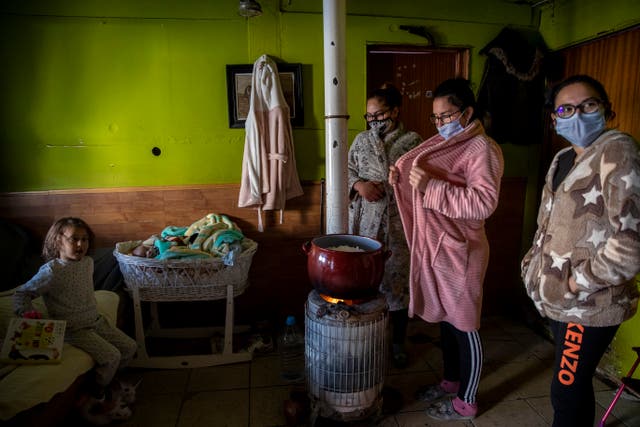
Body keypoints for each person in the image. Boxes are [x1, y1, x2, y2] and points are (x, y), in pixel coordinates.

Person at [521, 74, 640, 427]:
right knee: (568, 385)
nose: (578, 114)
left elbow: (632, 240)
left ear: (606, 108)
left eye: (588, 105)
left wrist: (576, 283)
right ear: (554, 119)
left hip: (590, 304)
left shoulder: (617, 150)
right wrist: (532, 268)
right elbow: (548, 224)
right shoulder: (563, 158)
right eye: (566, 108)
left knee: (567, 388)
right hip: (560, 300)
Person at [389, 78, 504, 420]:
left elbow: (483, 203)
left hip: (463, 251)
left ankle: (467, 401)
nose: (441, 124)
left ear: (467, 112)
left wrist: (429, 185)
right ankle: (452, 382)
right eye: (436, 118)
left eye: (447, 116)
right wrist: (403, 178)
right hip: (441, 248)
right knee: (447, 322)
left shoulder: (482, 148)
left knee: (465, 325)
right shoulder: (447, 143)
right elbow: (423, 175)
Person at [13, 217, 137, 410]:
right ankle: (97, 396)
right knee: (111, 356)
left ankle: (111, 381)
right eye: (74, 239)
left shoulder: (87, 262)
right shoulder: (52, 271)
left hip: (95, 320)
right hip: (73, 329)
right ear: (57, 241)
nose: (81, 244)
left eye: (85, 239)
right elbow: (23, 293)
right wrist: (27, 311)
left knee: (129, 347)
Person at [348, 83, 423, 369]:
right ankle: (368, 339)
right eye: (369, 116)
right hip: (367, 221)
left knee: (397, 284)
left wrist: (394, 188)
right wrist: (360, 185)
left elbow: (421, 181)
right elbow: (346, 169)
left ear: (394, 111)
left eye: (379, 114)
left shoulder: (413, 141)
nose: (374, 121)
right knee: (366, 281)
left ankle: (397, 343)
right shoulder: (361, 141)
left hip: (400, 224)